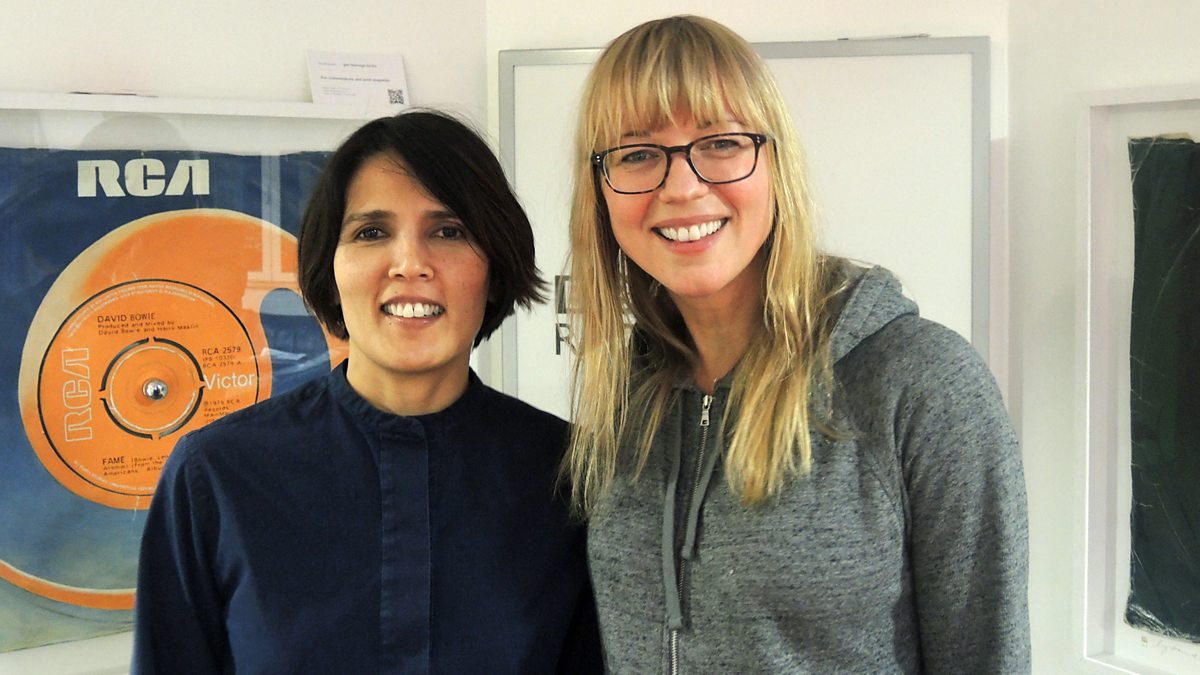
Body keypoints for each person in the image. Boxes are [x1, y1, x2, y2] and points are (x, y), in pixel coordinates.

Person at [563, 15, 1030, 673]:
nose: (682, 187)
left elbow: (987, 656)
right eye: (637, 154)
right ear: (600, 189)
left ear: (776, 162)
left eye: (721, 143)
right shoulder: (627, 394)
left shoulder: (921, 383)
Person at [133, 110, 600, 674]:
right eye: (371, 233)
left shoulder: (574, 476)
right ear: (330, 272)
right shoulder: (216, 475)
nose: (410, 264)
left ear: (495, 270)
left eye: (448, 231)